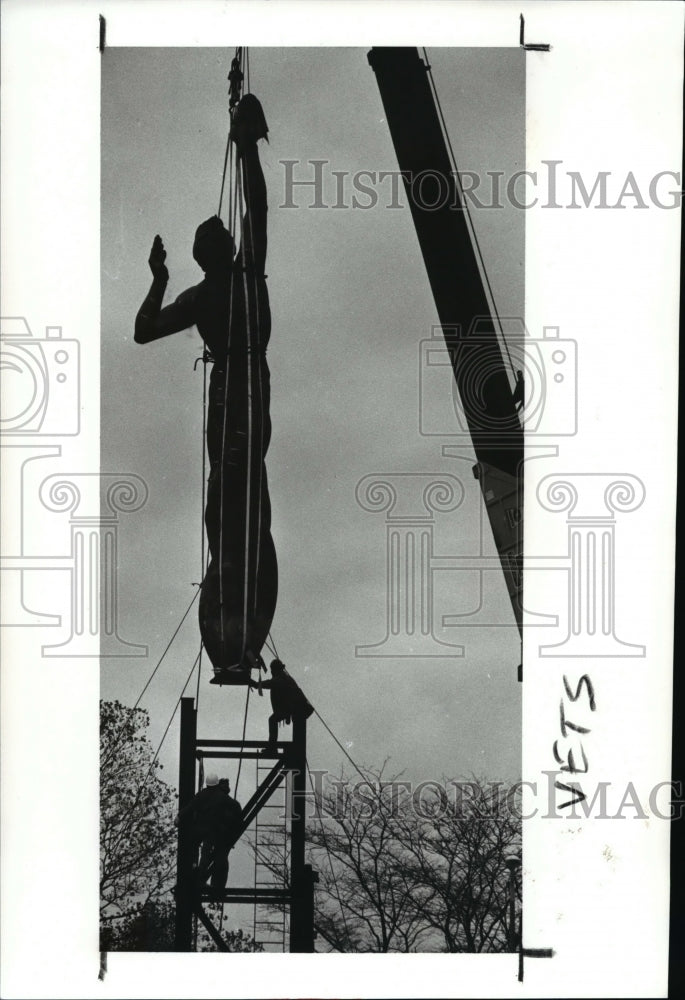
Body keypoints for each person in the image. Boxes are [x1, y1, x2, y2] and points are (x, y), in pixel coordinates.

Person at [134, 92, 278, 674]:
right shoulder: (234, 279)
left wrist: (247, 150)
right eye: (218, 233)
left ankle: (234, 620)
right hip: (239, 385)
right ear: (210, 252)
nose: (226, 229)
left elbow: (256, 210)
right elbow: (256, 211)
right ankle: (234, 625)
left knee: (234, 484)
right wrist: (246, 149)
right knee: (234, 484)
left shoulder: (222, 285)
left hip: (236, 385)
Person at [175, 772, 243, 898]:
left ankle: (196, 870)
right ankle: (206, 880)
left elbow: (191, 806)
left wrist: (179, 816)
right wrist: (233, 828)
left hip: (200, 829)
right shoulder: (222, 797)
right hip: (214, 832)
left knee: (195, 849)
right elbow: (236, 808)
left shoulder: (203, 794)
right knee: (211, 856)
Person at [250, 659, 314, 752]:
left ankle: (272, 748)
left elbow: (269, 683)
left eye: (272, 670)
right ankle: (288, 750)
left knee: (273, 720)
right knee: (296, 734)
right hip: (298, 709)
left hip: (298, 709)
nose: (271, 672)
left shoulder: (281, 679)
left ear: (275, 670)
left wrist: (254, 683)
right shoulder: (285, 678)